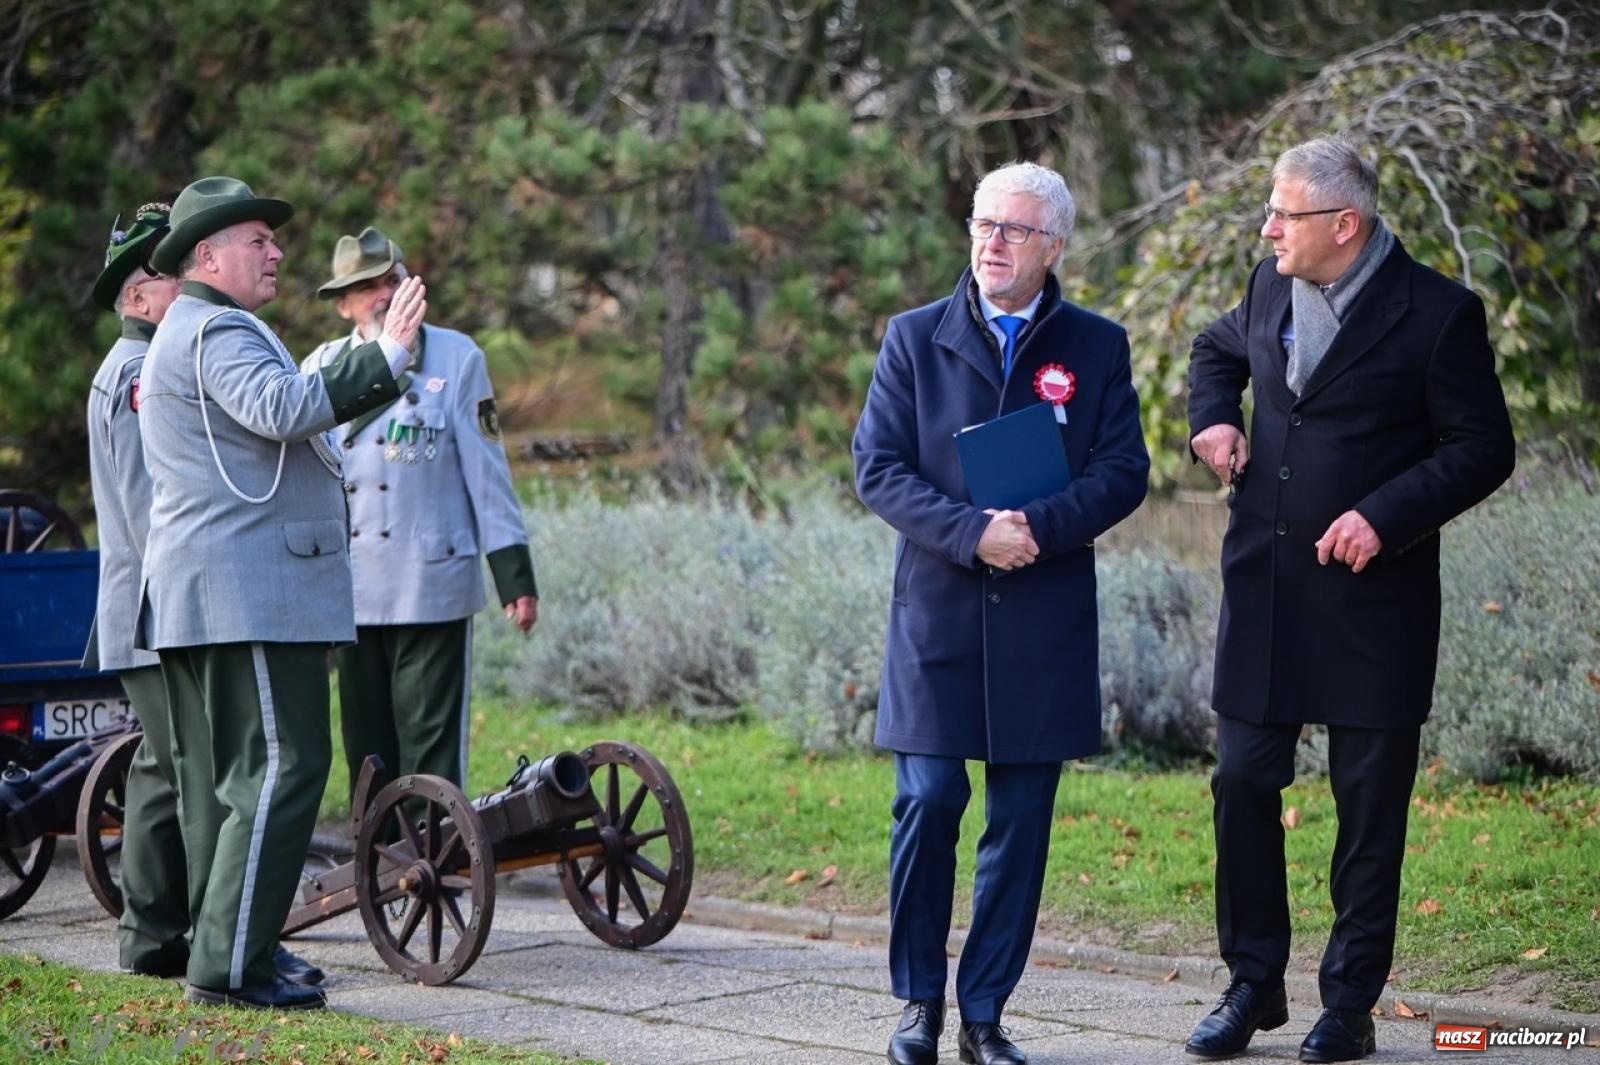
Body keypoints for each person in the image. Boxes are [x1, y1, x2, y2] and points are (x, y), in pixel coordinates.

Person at [1184, 136, 1514, 1063]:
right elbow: (1217, 350)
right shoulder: (1265, 283)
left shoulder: (1440, 314)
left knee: (1370, 809)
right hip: (1266, 587)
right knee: (1242, 780)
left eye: (1282, 214)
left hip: (1377, 602)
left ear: (1345, 224)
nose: (1266, 228)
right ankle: (1251, 985)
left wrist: (1384, 513)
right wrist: (1212, 416)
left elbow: (1483, 447)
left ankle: (1349, 1004)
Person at [852, 161, 1150, 1065]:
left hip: (1043, 616)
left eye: (1014, 230)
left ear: (1053, 245)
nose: (991, 242)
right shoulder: (913, 338)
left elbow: (1123, 471)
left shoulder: (1096, 346)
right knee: (928, 799)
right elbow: (878, 467)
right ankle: (917, 1007)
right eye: (983, 225)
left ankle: (984, 1014)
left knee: (1020, 821)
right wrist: (972, 532)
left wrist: (1040, 529)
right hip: (938, 613)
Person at [135, 176, 427, 1010]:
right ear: (207, 254)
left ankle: (241, 951)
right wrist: (389, 357)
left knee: (248, 780)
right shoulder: (219, 327)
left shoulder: (197, 327)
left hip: (225, 590)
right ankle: (231, 967)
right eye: (258, 239)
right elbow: (282, 406)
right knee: (281, 768)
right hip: (248, 590)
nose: (276, 251)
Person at [301, 227, 537, 800]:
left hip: (431, 583)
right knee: (368, 752)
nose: (381, 295)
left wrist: (514, 575)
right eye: (365, 288)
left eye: (390, 281)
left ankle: (435, 861)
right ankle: (376, 867)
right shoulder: (321, 368)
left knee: (430, 752)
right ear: (342, 305)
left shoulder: (456, 358)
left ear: (409, 285)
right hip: (354, 593)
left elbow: (487, 473)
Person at [83, 202, 190, 977]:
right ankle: (153, 936)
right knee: (175, 765)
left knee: (161, 764)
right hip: (155, 606)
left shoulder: (142, 365)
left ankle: (154, 934)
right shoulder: (135, 372)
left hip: (149, 604)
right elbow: (151, 501)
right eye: (166, 272)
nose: (182, 282)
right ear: (134, 295)